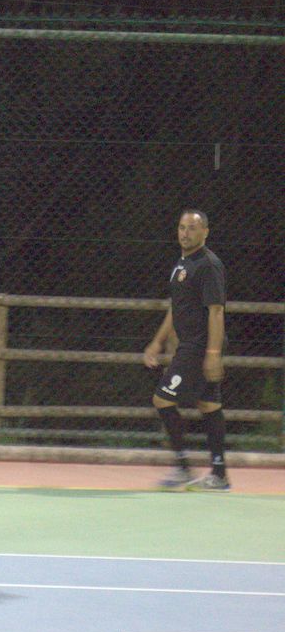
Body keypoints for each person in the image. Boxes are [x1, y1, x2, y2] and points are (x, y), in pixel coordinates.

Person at [143, 209, 230, 491]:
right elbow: (176, 307)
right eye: (182, 227)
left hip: (199, 346)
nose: (185, 233)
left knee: (162, 399)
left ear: (205, 232)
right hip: (190, 345)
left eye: (192, 228)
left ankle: (183, 468)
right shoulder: (182, 264)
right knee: (209, 405)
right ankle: (219, 475)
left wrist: (213, 354)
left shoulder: (208, 264)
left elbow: (216, 311)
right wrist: (158, 341)